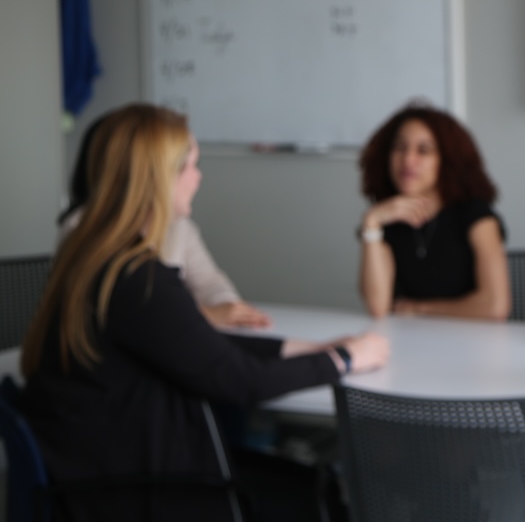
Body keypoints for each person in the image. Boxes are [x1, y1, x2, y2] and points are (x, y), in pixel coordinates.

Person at [20, 103, 389, 521]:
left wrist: (304, 348)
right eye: (192, 166)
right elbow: (240, 381)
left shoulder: (97, 259)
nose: (199, 178)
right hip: (137, 487)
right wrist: (343, 360)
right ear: (162, 179)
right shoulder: (138, 279)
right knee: (318, 495)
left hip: (101, 463)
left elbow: (188, 340)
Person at [59, 110, 271, 329]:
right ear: (155, 173)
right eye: (187, 166)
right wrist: (206, 316)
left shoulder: (181, 227)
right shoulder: (88, 230)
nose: (199, 176)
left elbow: (209, 281)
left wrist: (229, 307)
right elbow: (126, 318)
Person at [357, 101, 511, 320]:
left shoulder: (476, 215)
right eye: (400, 148)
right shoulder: (385, 219)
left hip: (472, 344)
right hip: (406, 342)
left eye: (424, 150)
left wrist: (418, 309)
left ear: (447, 161)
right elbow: (378, 307)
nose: (408, 160)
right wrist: (371, 222)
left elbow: (495, 307)